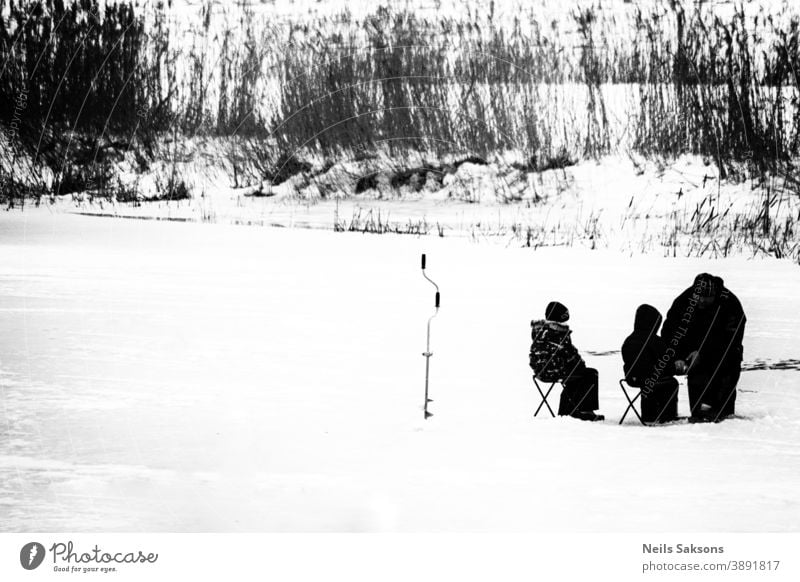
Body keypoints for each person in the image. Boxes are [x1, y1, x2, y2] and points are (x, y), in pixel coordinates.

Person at [661, 273, 746, 422]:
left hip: (725, 357)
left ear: (714, 295)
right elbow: (669, 332)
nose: (700, 301)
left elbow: (730, 339)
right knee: (699, 409)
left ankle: (724, 417)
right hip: (692, 355)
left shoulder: (730, 304)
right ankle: (700, 414)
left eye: (705, 299)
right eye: (697, 297)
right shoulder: (683, 301)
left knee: (722, 409)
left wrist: (703, 353)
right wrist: (678, 357)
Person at [529, 301, 604, 421]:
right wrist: (580, 363)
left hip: (540, 372)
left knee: (576, 375)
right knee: (590, 374)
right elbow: (570, 354)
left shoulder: (539, 332)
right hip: (555, 371)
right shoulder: (558, 333)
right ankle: (585, 410)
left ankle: (568, 410)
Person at [621, 304, 687, 423]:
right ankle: (668, 415)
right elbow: (665, 364)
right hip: (651, 378)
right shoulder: (655, 341)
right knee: (670, 383)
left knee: (648, 384)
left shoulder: (629, 340)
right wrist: (676, 369)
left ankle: (648, 414)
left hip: (632, 379)